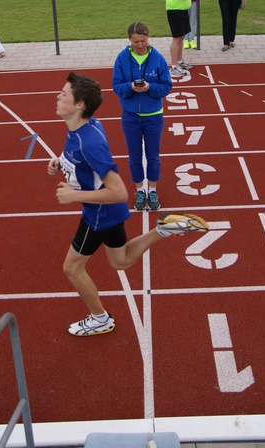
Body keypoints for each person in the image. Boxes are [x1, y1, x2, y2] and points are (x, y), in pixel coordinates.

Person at [47, 71, 208, 336]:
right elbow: (82, 160)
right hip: (108, 212)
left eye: (64, 94)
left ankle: (100, 318)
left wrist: (75, 196)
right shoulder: (85, 127)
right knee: (120, 261)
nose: (58, 96)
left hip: (98, 214)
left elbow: (120, 192)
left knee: (72, 268)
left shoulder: (88, 142)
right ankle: (163, 230)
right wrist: (60, 162)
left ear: (79, 105)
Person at [112, 22, 172, 212]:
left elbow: (166, 86)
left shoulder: (158, 59)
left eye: (143, 41)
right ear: (129, 39)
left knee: (153, 156)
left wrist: (150, 87)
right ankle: (140, 191)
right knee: (135, 157)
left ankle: (152, 190)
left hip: (154, 116)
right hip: (130, 116)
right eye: (136, 41)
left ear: (148, 38)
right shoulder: (122, 58)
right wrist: (130, 87)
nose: (140, 45)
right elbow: (116, 86)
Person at [165, 0, 197, 77]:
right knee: (177, 38)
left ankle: (180, 61)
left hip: (183, 11)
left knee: (182, 37)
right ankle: (173, 66)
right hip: (175, 11)